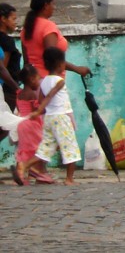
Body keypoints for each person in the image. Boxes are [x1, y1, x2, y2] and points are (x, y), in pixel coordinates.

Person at [25, 47, 80, 185]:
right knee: (70, 147)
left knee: (46, 148)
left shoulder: (43, 81)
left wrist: (40, 111)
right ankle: (69, 179)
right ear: (61, 64)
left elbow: (41, 99)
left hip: (49, 118)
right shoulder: (59, 81)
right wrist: (39, 111)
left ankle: (24, 166)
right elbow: (49, 97)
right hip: (61, 117)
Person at [21, 0, 90, 82]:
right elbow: (53, 59)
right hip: (50, 81)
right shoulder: (48, 27)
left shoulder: (27, 28)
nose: (54, 7)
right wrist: (77, 69)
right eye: (52, 4)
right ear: (46, 5)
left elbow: (26, 61)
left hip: (33, 81)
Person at [11, 65, 41, 185]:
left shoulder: (19, 93)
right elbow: (35, 110)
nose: (39, 82)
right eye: (38, 79)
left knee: (23, 150)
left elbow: (19, 109)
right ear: (32, 79)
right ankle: (25, 170)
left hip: (21, 123)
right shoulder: (32, 95)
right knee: (39, 149)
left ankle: (22, 175)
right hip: (32, 124)